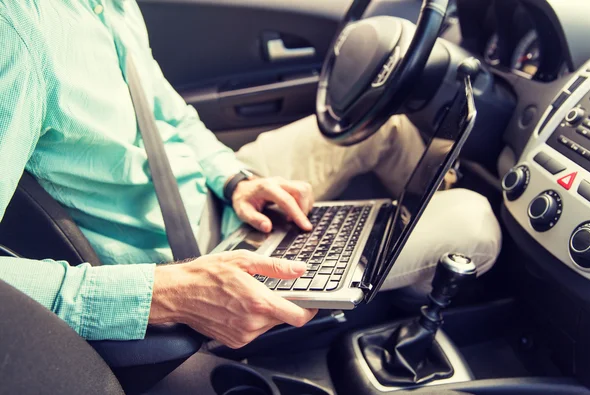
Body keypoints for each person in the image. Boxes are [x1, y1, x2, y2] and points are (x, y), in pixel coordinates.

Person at [0, 0, 501, 349]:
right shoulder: (17, 35)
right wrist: (163, 294)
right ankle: (428, 302)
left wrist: (235, 179)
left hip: (217, 202)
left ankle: (413, 282)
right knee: (474, 223)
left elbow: (169, 114)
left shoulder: (108, 6)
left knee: (384, 129)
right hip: (182, 261)